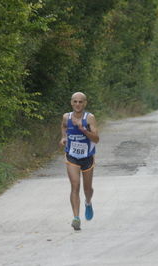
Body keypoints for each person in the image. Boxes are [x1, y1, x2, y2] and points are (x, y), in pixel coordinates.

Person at [59, 92, 100, 230]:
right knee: (75, 186)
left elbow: (96, 139)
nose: (77, 104)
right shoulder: (66, 117)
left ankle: (88, 202)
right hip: (72, 156)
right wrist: (64, 138)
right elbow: (64, 127)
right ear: (71, 103)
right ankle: (76, 218)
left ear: (85, 103)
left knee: (87, 189)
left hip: (87, 156)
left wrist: (83, 129)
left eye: (80, 102)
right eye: (75, 101)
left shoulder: (90, 118)